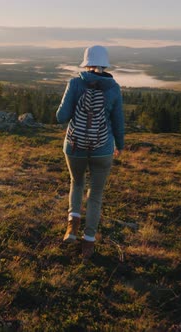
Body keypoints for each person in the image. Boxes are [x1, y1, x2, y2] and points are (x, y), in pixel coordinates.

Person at [56, 45, 125, 259]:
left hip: (75, 145)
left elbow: (61, 116)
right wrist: (119, 145)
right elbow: (118, 121)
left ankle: (72, 227)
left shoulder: (75, 83)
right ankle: (88, 242)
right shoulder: (114, 88)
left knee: (76, 183)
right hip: (102, 148)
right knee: (95, 195)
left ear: (86, 63)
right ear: (105, 63)